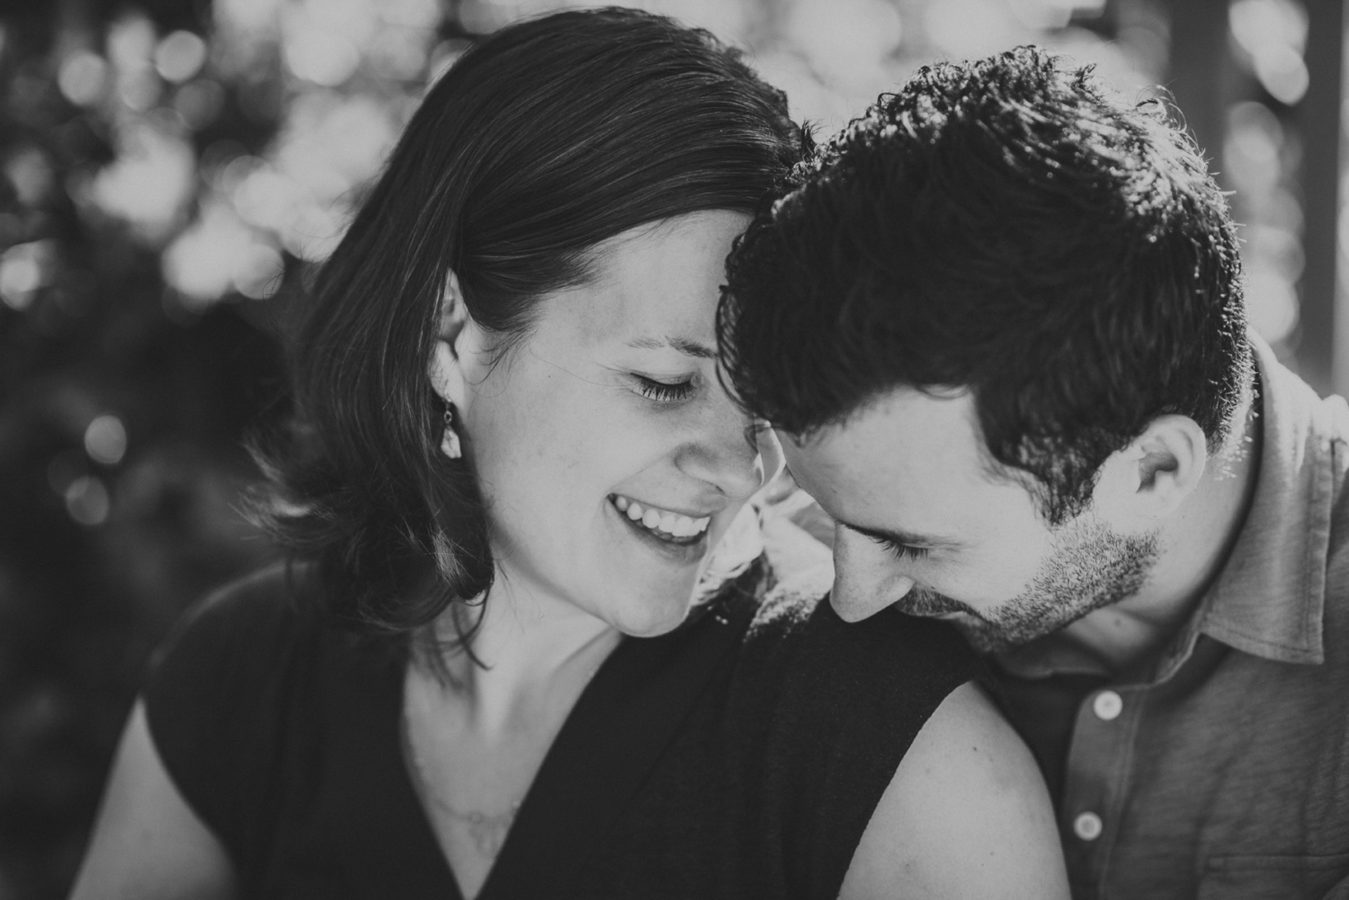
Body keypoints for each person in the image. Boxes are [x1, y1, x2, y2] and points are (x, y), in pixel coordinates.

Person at [70, 11, 1067, 900]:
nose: (738, 468)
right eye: (662, 384)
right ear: (448, 335)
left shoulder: (897, 760)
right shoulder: (242, 682)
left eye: (763, 404)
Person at [718, 43, 1349, 899]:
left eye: (910, 543)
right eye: (829, 514)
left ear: (1151, 472)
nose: (848, 597)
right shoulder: (789, 555)